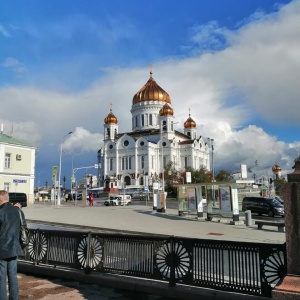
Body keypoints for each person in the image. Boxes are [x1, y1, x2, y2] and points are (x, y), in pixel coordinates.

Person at [0, 190, 26, 300]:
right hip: (15, 248)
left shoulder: (0, 212)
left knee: (1, 279)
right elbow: (23, 225)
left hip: (2, 249)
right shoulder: (18, 211)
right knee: (13, 277)